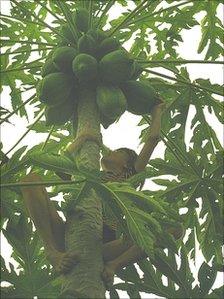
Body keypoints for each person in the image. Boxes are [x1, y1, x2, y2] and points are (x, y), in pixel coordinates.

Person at [21, 101, 180, 284]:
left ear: (126, 164)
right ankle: (51, 251)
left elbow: (152, 139)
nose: (111, 151)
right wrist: (83, 138)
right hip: (70, 233)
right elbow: (61, 165)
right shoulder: (87, 174)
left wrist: (157, 111)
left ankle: (114, 265)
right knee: (30, 179)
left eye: (118, 151)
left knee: (175, 228)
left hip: (107, 244)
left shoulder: (129, 176)